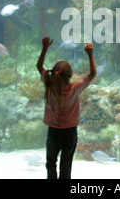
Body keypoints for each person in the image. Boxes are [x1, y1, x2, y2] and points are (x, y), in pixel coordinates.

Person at [36, 36, 96, 179]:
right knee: (66, 165)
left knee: (51, 162)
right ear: (70, 75)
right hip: (70, 133)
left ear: (53, 73)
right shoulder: (75, 87)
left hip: (53, 132)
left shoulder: (49, 85)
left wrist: (44, 48)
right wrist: (90, 55)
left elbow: (39, 67)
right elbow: (92, 74)